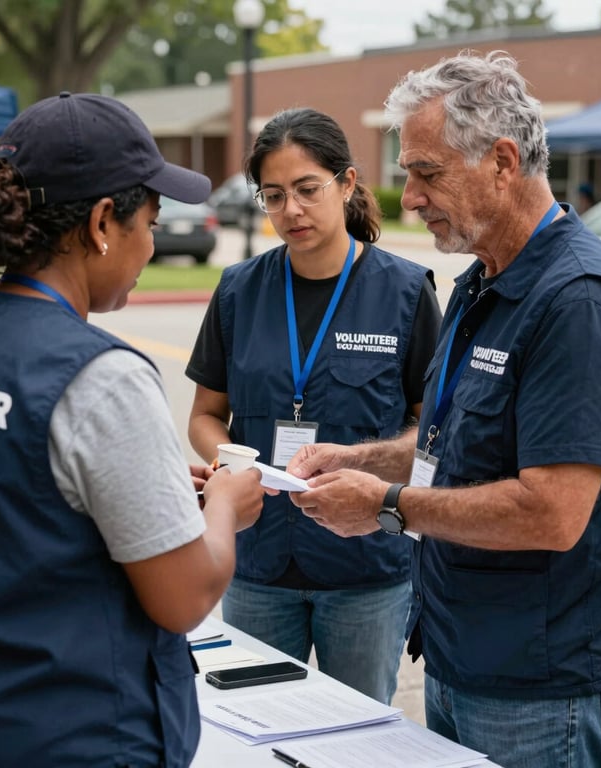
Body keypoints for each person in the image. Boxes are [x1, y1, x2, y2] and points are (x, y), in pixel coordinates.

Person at [284, 51, 601, 767]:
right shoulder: (487, 279)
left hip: (543, 684)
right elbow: (452, 441)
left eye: (426, 173)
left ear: (504, 162)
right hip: (465, 654)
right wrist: (354, 460)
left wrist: (386, 505)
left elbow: (552, 511)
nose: (410, 198)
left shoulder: (578, 304)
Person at [0, 92, 266, 768]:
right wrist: (226, 506)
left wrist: (129, 492)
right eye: (149, 220)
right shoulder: (101, 377)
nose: (150, 243)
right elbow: (183, 598)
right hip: (66, 738)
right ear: (100, 224)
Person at [185, 107, 442, 704]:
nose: (290, 211)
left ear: (347, 184)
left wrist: (365, 459)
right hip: (258, 567)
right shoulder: (238, 290)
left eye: (307, 189)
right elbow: (204, 415)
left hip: (364, 571)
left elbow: (432, 431)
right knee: (253, 728)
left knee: (356, 739)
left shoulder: (405, 291)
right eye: (273, 196)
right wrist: (231, 460)